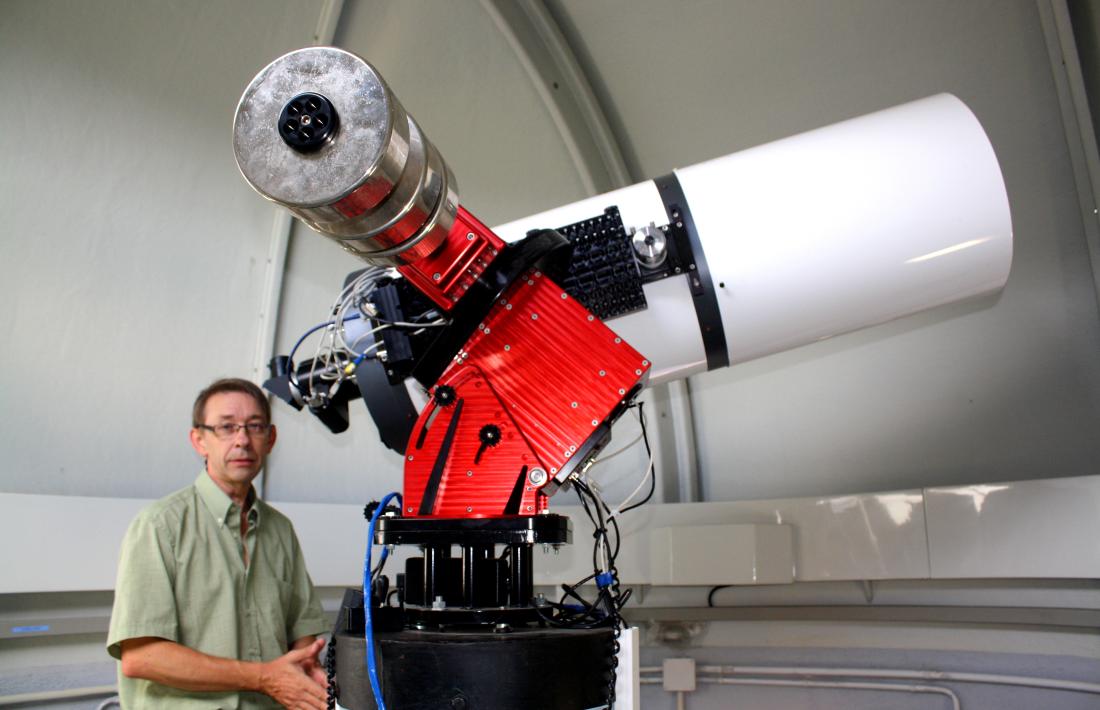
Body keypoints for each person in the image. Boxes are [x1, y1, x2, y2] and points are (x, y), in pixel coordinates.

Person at [107, 378, 330, 709]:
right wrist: (264, 677)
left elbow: (303, 633)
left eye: (254, 427)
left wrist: (307, 671)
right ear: (199, 440)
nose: (242, 440)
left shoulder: (280, 530)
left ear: (270, 439)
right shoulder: (160, 526)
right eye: (226, 427)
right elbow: (142, 657)